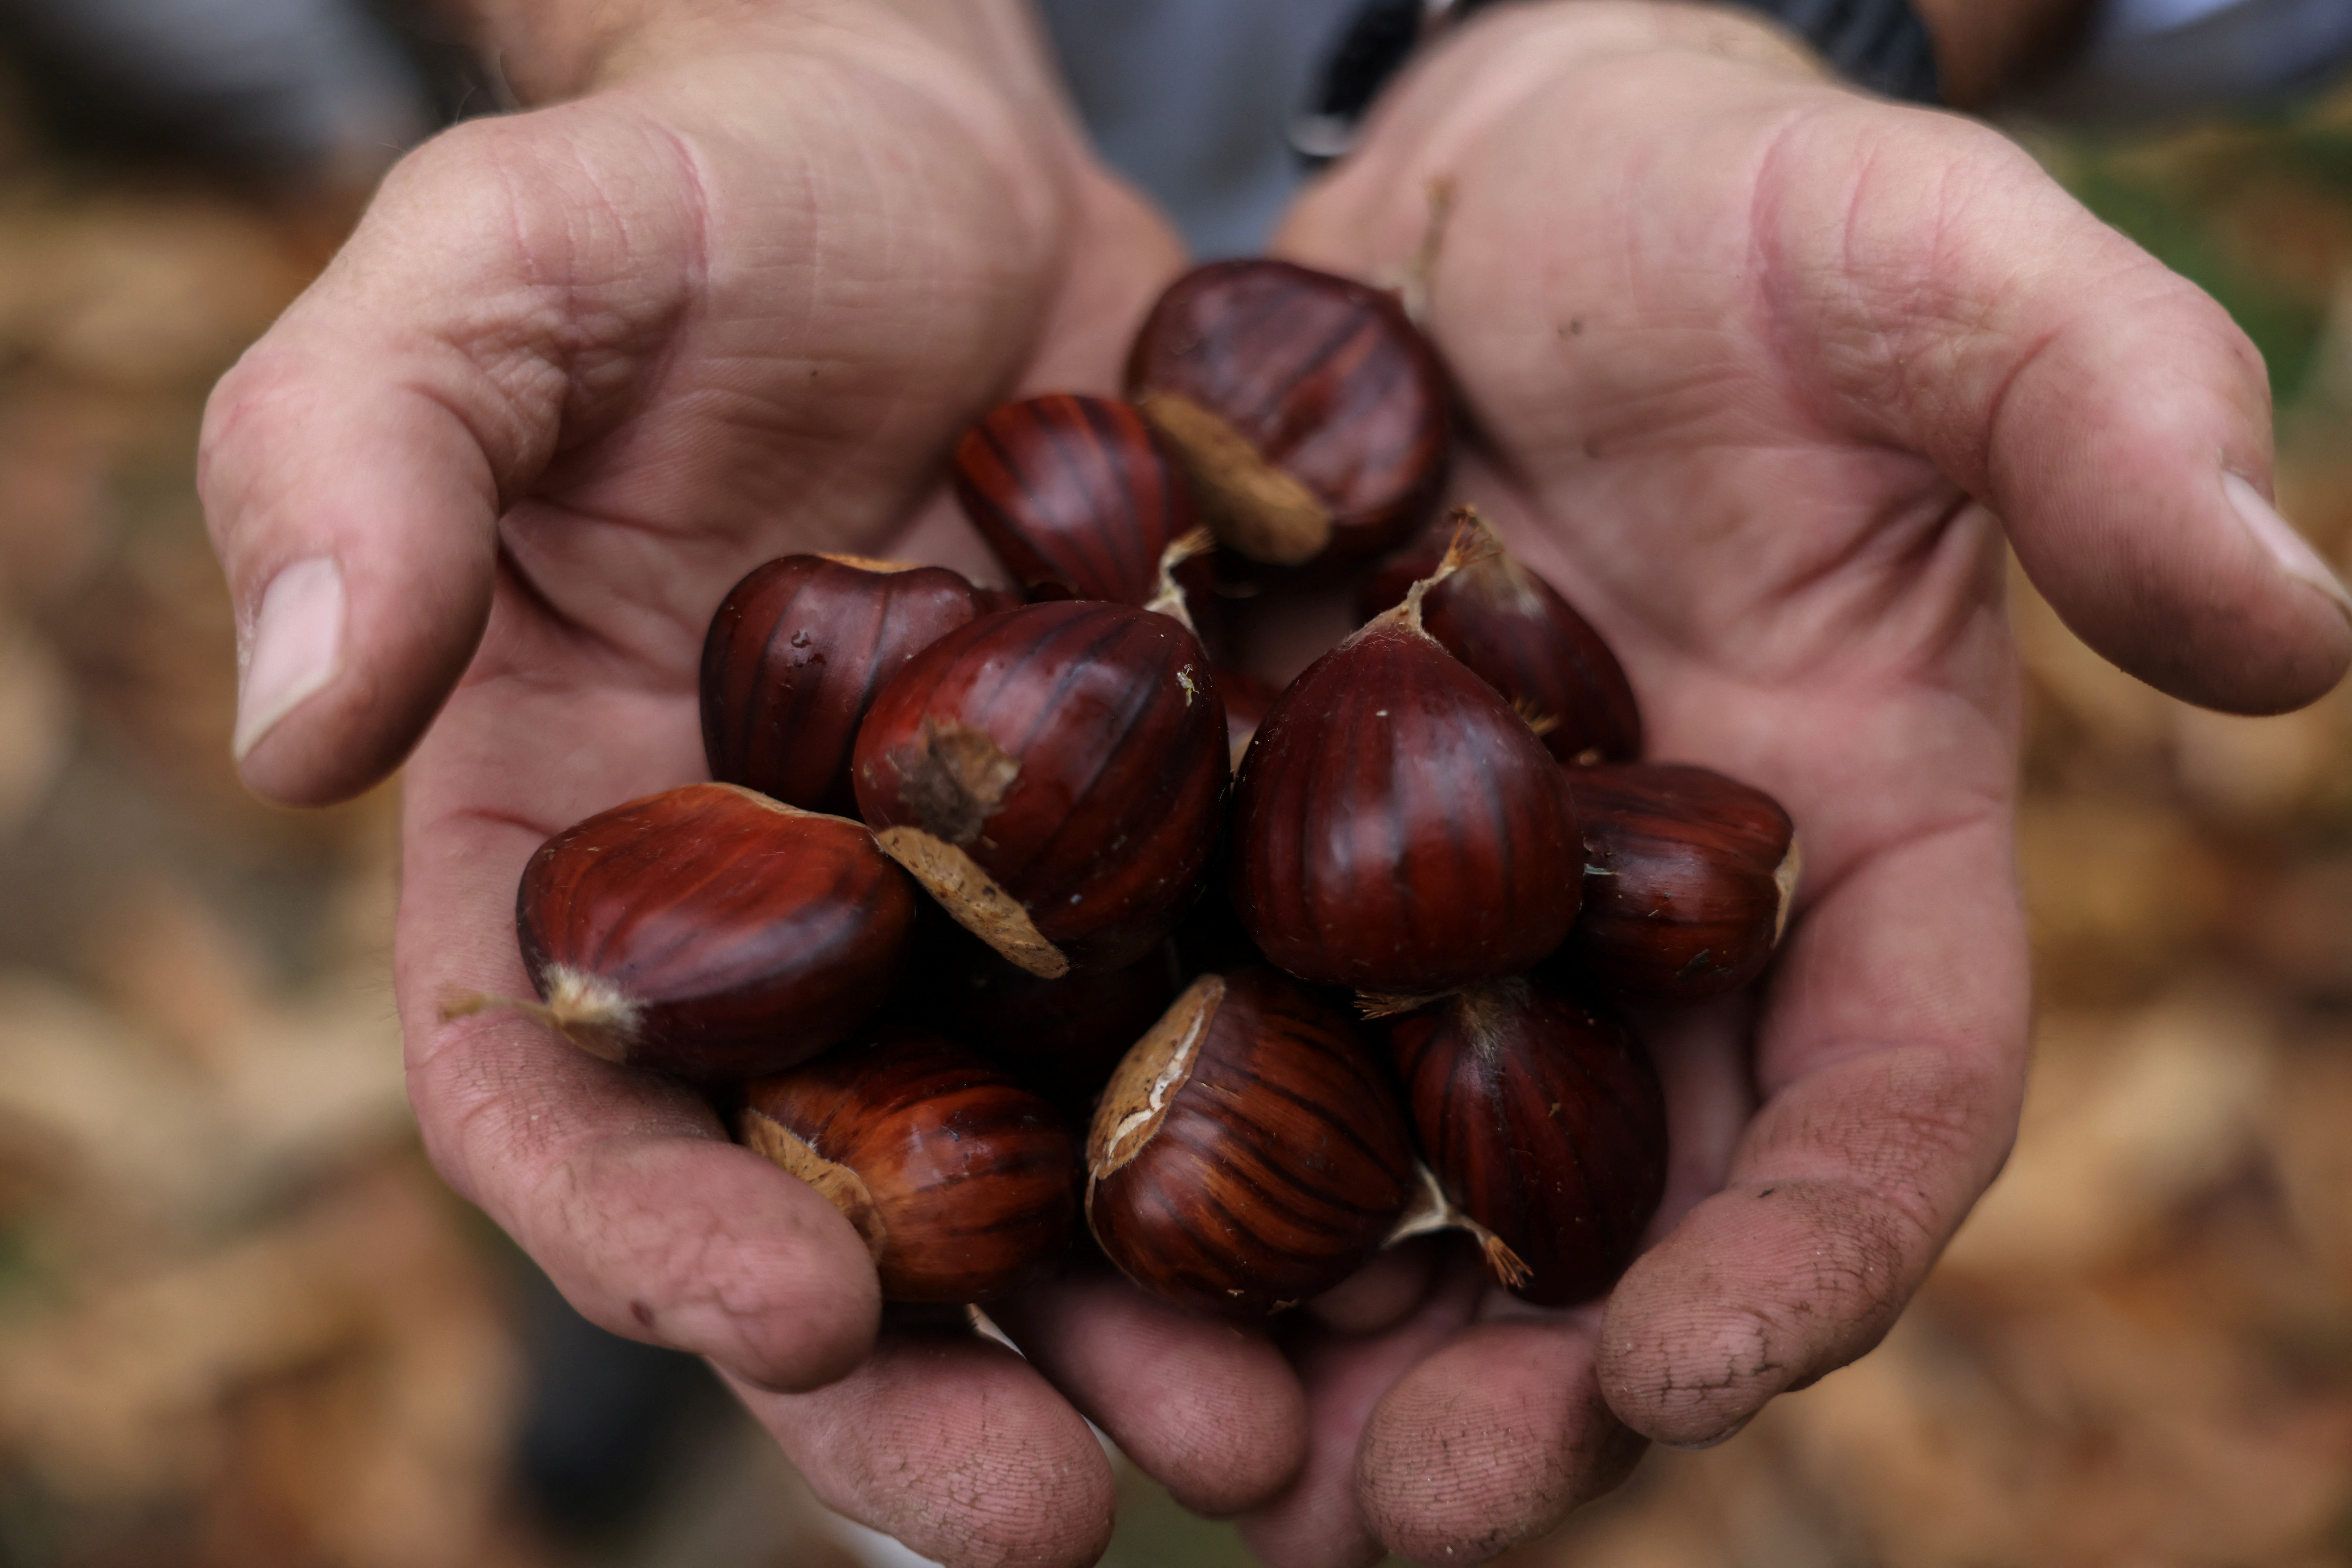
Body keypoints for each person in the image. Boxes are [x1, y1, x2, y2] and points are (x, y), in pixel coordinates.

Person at [196, 1, 2352, 1564]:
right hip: (880, 212)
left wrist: (1769, 30)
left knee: (852, 1248)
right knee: (738, 1227)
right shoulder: (1117, 728)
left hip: (1545, 224)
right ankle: (657, 1367)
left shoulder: (1219, 739)